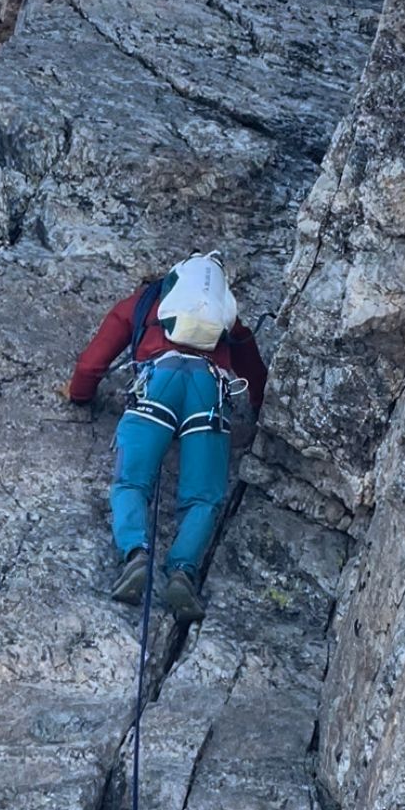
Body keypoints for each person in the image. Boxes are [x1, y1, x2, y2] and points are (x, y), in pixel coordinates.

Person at [63, 253, 266, 625]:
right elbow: (254, 372)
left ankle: (136, 555)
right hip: (209, 389)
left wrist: (79, 395)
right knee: (203, 496)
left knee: (131, 482)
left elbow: (92, 364)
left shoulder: (143, 302)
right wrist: (257, 405)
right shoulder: (223, 315)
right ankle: (182, 574)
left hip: (157, 382)